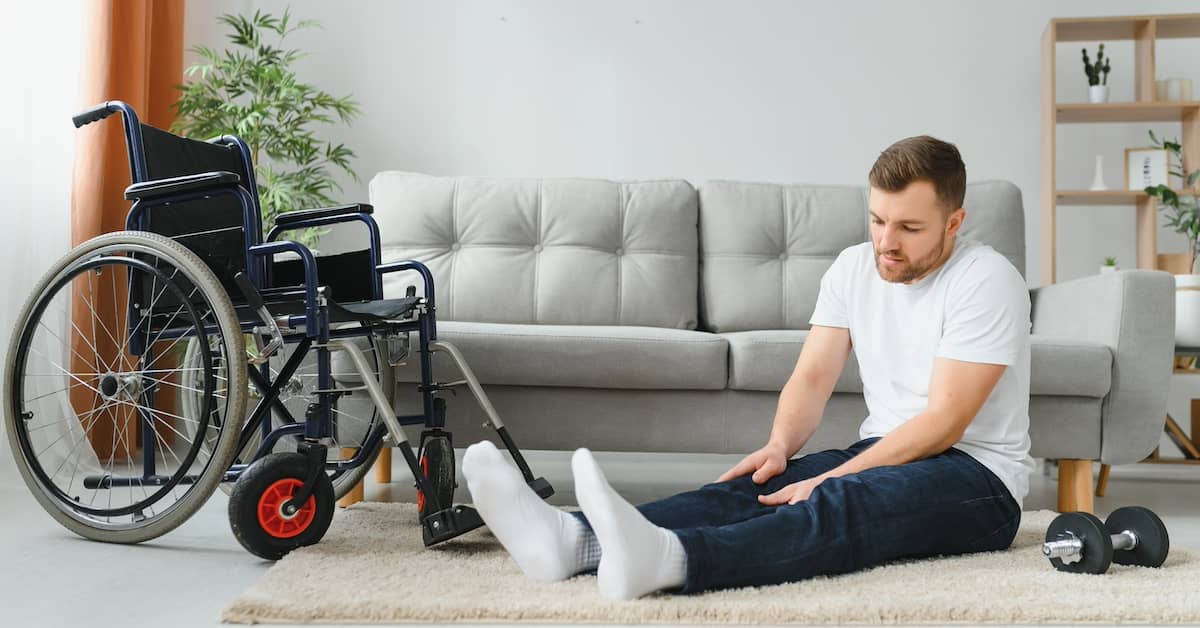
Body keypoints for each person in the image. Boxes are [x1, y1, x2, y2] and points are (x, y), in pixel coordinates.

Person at [460, 135, 1033, 599]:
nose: (887, 241)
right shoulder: (854, 266)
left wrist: (833, 475)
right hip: (885, 448)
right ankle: (573, 540)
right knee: (755, 485)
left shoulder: (987, 280)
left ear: (954, 223)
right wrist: (782, 445)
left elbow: (945, 423)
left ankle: (673, 561)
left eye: (910, 228)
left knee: (834, 499)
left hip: (978, 480)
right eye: (878, 220)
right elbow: (812, 376)